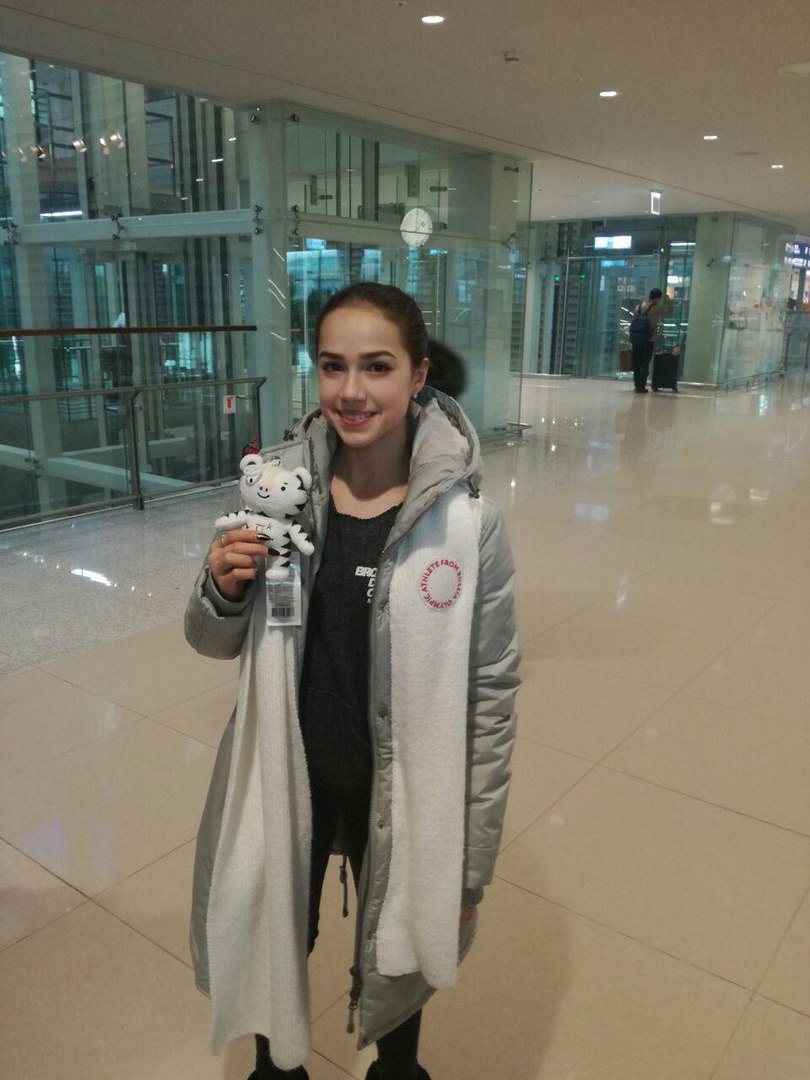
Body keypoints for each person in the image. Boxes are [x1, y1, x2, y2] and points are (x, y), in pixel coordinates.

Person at [185, 282, 520, 1080]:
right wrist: (221, 586)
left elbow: (490, 700)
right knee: (275, 930)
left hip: (404, 787)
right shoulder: (278, 495)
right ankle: (276, 1065)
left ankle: (397, 1066)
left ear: (418, 374)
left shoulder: (465, 523)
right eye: (333, 366)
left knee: (399, 941)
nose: (351, 391)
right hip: (287, 772)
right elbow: (210, 640)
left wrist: (471, 864)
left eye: (377, 366)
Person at [630, 287, 673, 393]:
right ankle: (641, 386)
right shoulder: (656, 308)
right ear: (658, 298)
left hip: (636, 339)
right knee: (645, 363)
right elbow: (670, 313)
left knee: (636, 362)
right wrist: (669, 302)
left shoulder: (638, 307)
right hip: (648, 339)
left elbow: (633, 321)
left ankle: (636, 384)